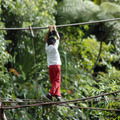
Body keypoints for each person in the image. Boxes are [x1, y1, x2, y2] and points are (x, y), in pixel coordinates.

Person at [45, 25, 62, 102]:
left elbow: (46, 39)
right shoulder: (55, 47)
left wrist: (49, 30)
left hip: (50, 67)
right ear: (53, 42)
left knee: (54, 82)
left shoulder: (47, 48)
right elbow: (58, 38)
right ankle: (50, 94)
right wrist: (55, 29)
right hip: (56, 66)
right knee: (57, 81)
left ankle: (58, 96)